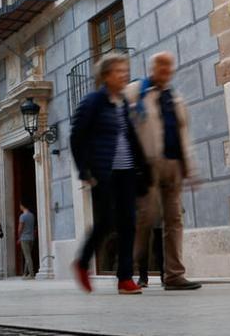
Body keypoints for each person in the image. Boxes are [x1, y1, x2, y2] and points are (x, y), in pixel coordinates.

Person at [70, 51, 149, 295]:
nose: (124, 75)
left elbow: (130, 136)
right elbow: (76, 136)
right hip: (104, 171)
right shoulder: (93, 101)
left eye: (125, 70)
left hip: (126, 171)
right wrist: (84, 170)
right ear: (105, 76)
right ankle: (82, 263)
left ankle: (125, 278)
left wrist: (142, 166)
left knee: (129, 224)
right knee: (105, 222)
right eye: (118, 71)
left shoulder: (123, 102)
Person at [125, 52, 202, 291]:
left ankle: (174, 276)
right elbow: (118, 120)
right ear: (153, 67)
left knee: (174, 219)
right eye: (162, 66)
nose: (166, 70)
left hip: (173, 164)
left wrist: (190, 168)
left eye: (169, 67)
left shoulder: (176, 98)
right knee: (145, 218)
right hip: (146, 165)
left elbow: (184, 135)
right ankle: (130, 270)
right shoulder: (136, 91)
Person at [17, 204, 36, 279]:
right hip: (31, 238)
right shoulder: (32, 215)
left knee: (27, 257)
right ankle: (25, 274)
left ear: (22, 206)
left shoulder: (22, 216)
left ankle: (31, 274)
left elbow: (20, 228)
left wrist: (19, 237)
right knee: (28, 256)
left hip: (24, 238)